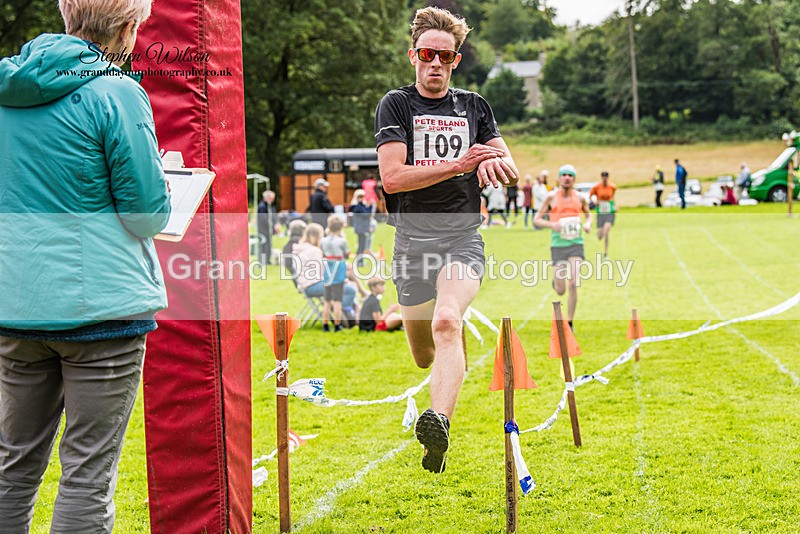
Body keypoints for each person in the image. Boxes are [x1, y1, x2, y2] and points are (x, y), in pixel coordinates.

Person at [0, 1, 171, 531]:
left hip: (16, 304)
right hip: (102, 309)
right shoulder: (116, 92)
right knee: (87, 474)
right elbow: (147, 214)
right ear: (127, 27)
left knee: (12, 467)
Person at [375, 5, 519, 473]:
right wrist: (461, 164)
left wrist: (497, 164)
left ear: (456, 61)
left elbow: (509, 166)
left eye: (446, 56)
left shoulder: (474, 106)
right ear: (413, 55)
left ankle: (438, 425)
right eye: (427, 54)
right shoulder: (396, 105)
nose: (435, 63)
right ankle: (438, 382)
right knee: (422, 356)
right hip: (411, 245)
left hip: (462, 239)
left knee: (447, 321)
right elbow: (393, 179)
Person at [533, 164, 592, 330]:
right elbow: (536, 219)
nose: (567, 178)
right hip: (558, 245)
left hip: (576, 244)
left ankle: (570, 322)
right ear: (559, 178)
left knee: (573, 283)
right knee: (560, 290)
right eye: (564, 175)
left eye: (570, 175)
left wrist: (587, 224)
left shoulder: (580, 198)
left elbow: (589, 216)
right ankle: (557, 283)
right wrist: (553, 225)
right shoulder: (551, 197)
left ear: (574, 179)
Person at [292, 223, 357, 313]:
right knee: (350, 290)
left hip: (306, 285)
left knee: (347, 285)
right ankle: (341, 313)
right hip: (313, 285)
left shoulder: (300, 249)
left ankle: (349, 312)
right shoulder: (315, 251)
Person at [320, 216, 350, 332]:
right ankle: (337, 325)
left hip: (328, 268)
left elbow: (322, 252)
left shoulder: (323, 240)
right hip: (339, 269)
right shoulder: (342, 241)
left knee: (327, 301)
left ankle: (325, 325)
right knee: (337, 300)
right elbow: (347, 254)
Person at [589, 171, 617, 259]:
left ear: (608, 177)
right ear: (601, 177)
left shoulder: (612, 187)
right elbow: (591, 196)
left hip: (609, 212)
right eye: (603, 177)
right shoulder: (597, 187)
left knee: (606, 231)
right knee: (600, 236)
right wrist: (594, 202)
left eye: (606, 177)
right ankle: (600, 233)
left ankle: (605, 253)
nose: (604, 178)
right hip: (600, 213)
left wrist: (614, 206)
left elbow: (612, 198)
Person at [349, 189, 372, 266]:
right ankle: (359, 262)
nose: (362, 198)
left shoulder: (360, 206)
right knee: (361, 246)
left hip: (362, 228)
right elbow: (366, 214)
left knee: (362, 246)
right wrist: (370, 206)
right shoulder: (357, 206)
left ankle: (360, 261)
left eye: (363, 196)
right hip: (361, 228)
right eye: (360, 196)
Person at [257, 190, 278, 265]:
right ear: (266, 197)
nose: (272, 200)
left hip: (269, 230)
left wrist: (276, 224)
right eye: (271, 199)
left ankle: (267, 260)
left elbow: (274, 216)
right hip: (263, 230)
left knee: (268, 246)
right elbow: (264, 219)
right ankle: (263, 261)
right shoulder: (262, 207)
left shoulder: (270, 206)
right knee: (264, 246)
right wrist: (273, 225)